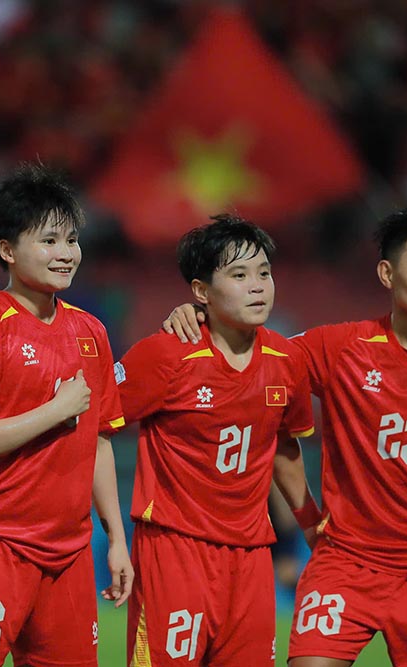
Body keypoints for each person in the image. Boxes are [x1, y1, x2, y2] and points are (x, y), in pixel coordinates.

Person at [166, 206, 407, 667]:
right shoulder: (340, 347)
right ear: (387, 274)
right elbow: (253, 356)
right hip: (346, 561)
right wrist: (202, 314)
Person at [0, 164, 133, 667]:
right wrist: (56, 410)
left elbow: (99, 441)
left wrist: (116, 538)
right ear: (7, 249)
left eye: (72, 240)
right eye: (49, 240)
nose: (66, 253)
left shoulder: (92, 332)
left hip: (70, 553)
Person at [120, 214, 317, 667]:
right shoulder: (165, 353)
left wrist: (312, 525)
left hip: (252, 557)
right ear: (201, 290)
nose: (258, 287)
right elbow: (96, 425)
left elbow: (283, 447)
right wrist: (111, 531)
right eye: (240, 275)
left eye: (264, 273)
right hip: (174, 549)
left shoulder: (286, 359)